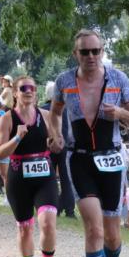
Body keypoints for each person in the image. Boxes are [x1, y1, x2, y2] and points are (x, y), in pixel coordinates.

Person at [48, 28, 129, 257]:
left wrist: (120, 114)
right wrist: (56, 135)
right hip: (79, 158)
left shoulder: (118, 79)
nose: (90, 56)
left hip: (112, 157)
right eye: (84, 52)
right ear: (75, 54)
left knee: (113, 235)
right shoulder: (64, 81)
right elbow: (55, 113)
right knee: (94, 228)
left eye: (95, 51)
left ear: (102, 51)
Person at [0, 76, 62, 257]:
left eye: (33, 88)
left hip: (44, 176)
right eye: (24, 88)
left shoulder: (44, 115)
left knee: (48, 222)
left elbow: (56, 145)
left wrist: (56, 143)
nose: (29, 91)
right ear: (15, 92)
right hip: (19, 178)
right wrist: (17, 138)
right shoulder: (8, 119)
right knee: (25, 229)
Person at [41, 82, 76, 218]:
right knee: (66, 178)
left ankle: (52, 206)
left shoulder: (43, 109)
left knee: (49, 179)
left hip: (48, 147)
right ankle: (69, 209)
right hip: (65, 146)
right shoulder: (67, 109)